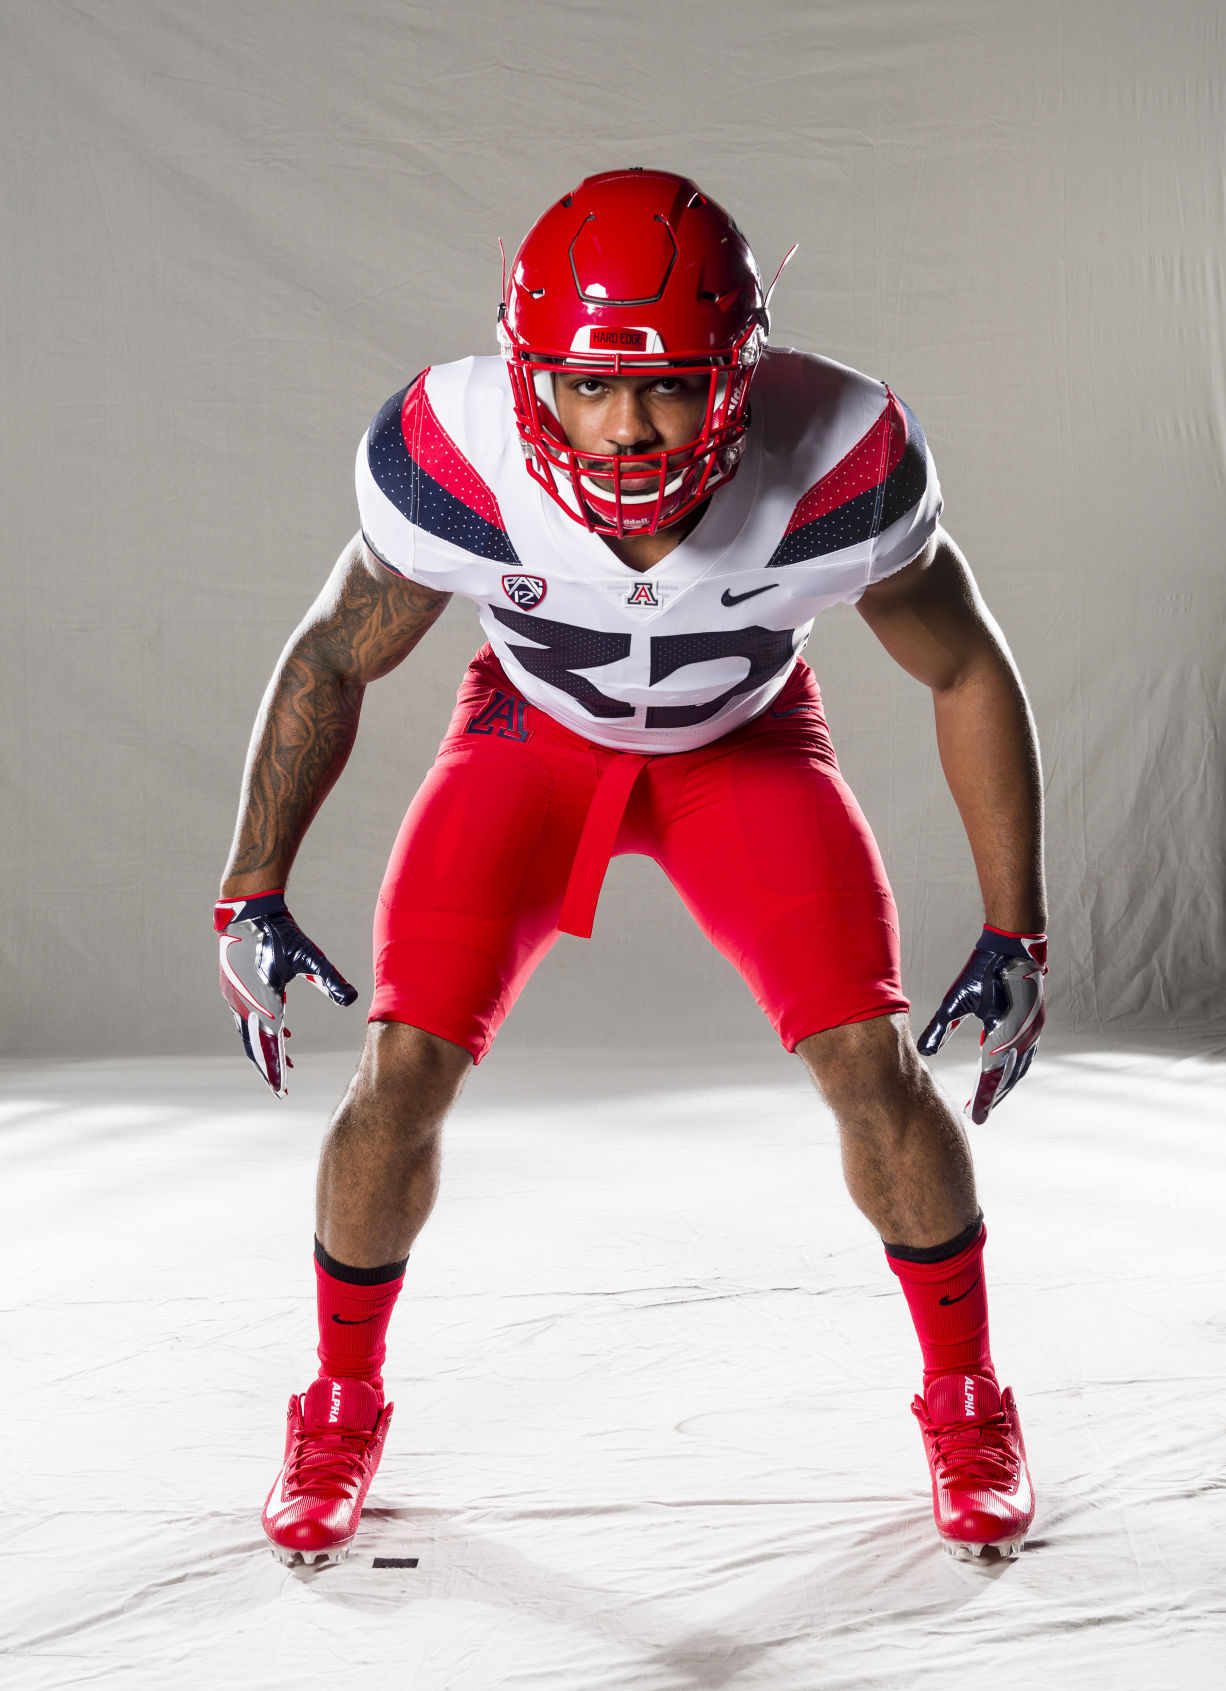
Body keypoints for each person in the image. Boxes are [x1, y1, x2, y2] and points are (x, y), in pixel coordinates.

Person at [217, 169, 1047, 1570]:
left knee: (869, 1057)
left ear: (740, 370)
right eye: (581, 390)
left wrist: (1017, 927)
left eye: (663, 386)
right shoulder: (453, 447)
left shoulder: (839, 444)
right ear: (521, 370)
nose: (619, 427)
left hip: (745, 746)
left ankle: (967, 1399)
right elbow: (334, 653)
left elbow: (961, 658)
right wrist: (251, 885)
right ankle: (338, 1402)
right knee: (399, 1068)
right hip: (526, 741)